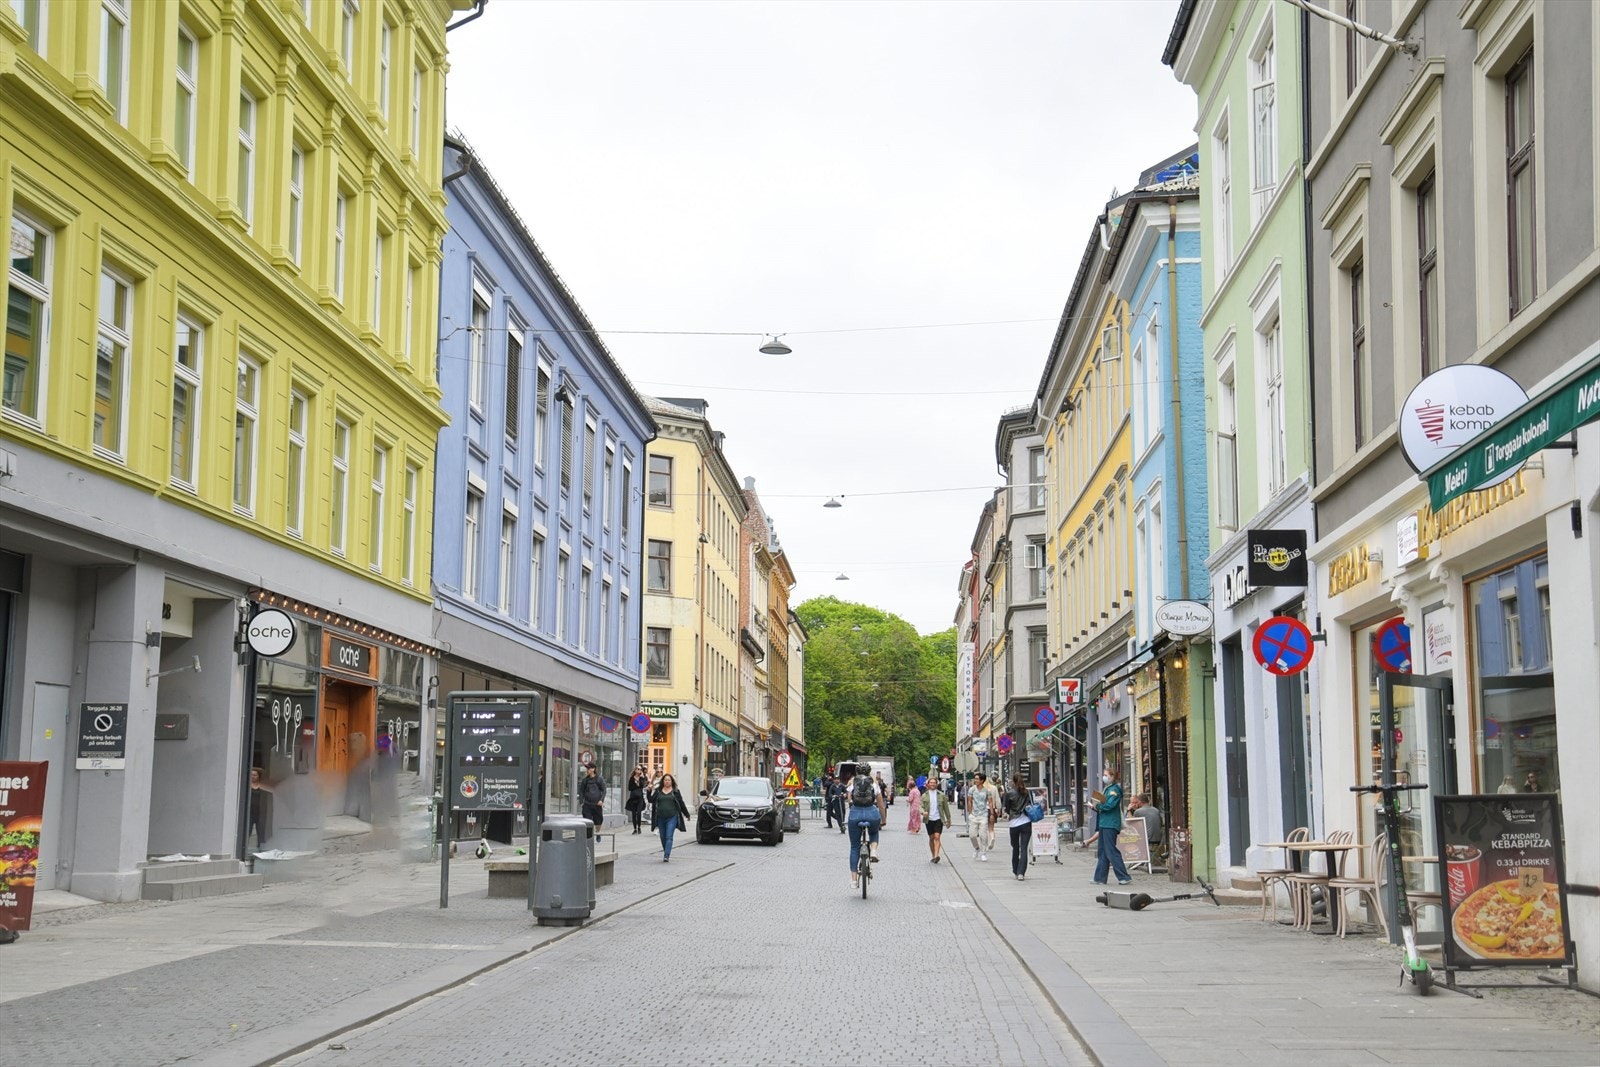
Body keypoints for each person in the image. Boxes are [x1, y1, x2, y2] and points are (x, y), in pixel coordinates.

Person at [1091, 765, 1132, 886]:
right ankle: (1100, 878)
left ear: (1112, 777)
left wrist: (1098, 806)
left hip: (1110, 823)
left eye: (1106, 775)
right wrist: (1095, 807)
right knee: (1103, 851)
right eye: (1103, 775)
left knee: (1111, 850)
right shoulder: (1107, 789)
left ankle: (1124, 876)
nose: (1104, 777)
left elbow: (1110, 805)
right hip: (1104, 822)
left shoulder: (1114, 790)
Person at [846, 767, 885, 890]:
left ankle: (853, 880)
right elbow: (881, 805)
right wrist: (883, 819)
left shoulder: (852, 783)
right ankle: (873, 851)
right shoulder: (874, 784)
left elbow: (849, 801)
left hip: (855, 814)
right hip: (871, 813)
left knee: (854, 847)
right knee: (874, 832)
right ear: (869, 773)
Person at [649, 773, 690, 861]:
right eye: (665, 780)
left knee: (669, 836)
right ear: (663, 781)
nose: (667, 782)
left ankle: (666, 855)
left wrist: (687, 814)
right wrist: (649, 791)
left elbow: (681, 803)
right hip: (660, 817)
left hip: (672, 817)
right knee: (663, 837)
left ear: (671, 782)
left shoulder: (675, 792)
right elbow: (651, 800)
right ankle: (666, 851)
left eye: (669, 780)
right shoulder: (658, 791)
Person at [1002, 774, 1032, 880]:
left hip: (1014, 823)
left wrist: (1008, 813)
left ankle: (1015, 870)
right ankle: (1021, 873)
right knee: (1024, 848)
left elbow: (1006, 809)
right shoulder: (1026, 792)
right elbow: (1030, 804)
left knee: (1015, 847)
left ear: (1013, 781)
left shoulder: (1009, 793)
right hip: (1026, 822)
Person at [966, 771, 999, 862]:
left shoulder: (987, 791)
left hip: (983, 815)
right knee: (972, 835)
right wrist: (970, 813)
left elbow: (990, 802)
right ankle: (977, 848)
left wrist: (992, 814)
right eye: (975, 779)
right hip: (974, 815)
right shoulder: (972, 790)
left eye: (977, 779)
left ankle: (984, 853)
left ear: (982, 780)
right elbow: (969, 801)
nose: (975, 780)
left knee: (983, 835)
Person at [921, 774, 952, 863]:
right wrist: (923, 812)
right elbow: (920, 806)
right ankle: (933, 854)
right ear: (928, 784)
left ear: (937, 784)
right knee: (931, 838)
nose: (932, 784)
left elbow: (946, 808)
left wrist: (948, 819)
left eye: (934, 782)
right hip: (929, 819)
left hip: (938, 818)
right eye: (931, 782)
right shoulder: (924, 795)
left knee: (937, 837)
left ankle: (936, 855)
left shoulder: (941, 795)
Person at [247, 767, 274, 850]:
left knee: (261, 831)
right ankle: (245, 848)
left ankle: (261, 847)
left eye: (255, 775)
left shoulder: (262, 787)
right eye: (251, 775)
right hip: (249, 812)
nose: (253, 777)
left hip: (260, 812)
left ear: (258, 776)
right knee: (247, 830)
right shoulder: (246, 787)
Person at [579, 764, 606, 832]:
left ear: (593, 769)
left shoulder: (599, 779)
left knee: (598, 821)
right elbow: (581, 791)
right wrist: (581, 802)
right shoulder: (585, 780)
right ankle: (589, 835)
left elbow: (604, 790)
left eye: (589, 769)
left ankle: (597, 833)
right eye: (587, 769)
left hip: (597, 804)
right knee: (587, 820)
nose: (587, 770)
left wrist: (601, 800)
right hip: (587, 804)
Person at [626, 766, 649, 834]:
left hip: (640, 798)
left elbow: (642, 786)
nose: (639, 770)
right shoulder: (632, 778)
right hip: (633, 798)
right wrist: (636, 785)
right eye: (638, 769)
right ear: (635, 770)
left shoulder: (641, 778)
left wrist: (641, 779)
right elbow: (629, 788)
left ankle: (639, 827)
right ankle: (635, 828)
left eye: (640, 769)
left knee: (639, 813)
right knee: (634, 814)